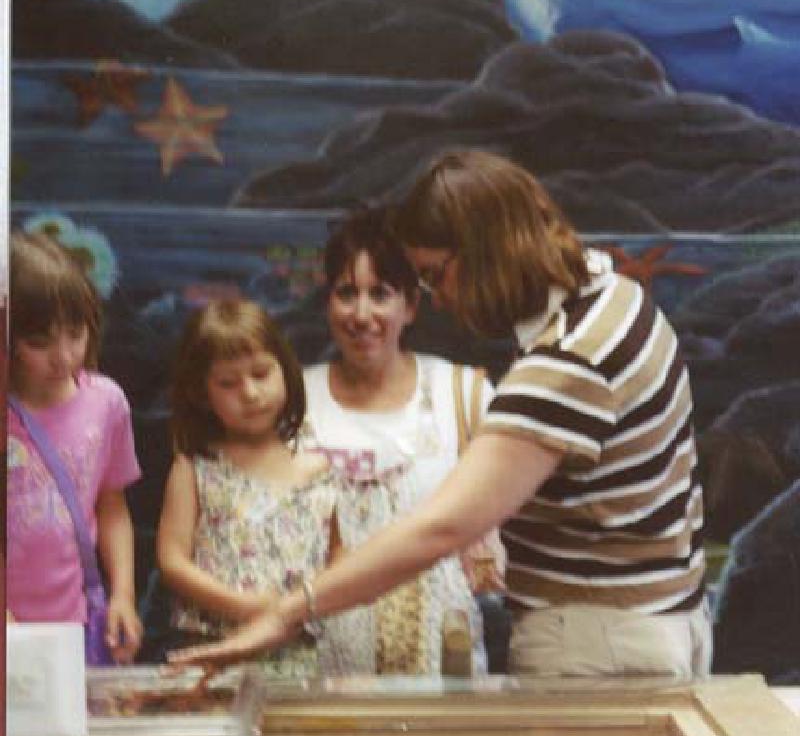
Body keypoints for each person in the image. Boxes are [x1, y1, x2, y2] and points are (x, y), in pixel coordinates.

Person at [171, 150, 710, 680]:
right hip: (658, 618)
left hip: (601, 642)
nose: (439, 297)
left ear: (484, 250)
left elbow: (444, 525)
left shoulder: (566, 359)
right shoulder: (614, 293)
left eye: (434, 275)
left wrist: (291, 609)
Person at [301, 206, 501, 675]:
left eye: (381, 294)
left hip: (446, 669)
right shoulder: (294, 401)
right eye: (347, 294)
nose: (362, 314)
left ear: (411, 305)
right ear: (327, 303)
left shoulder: (463, 394)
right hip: (323, 673)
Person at [156, 298, 342, 677]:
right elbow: (172, 561)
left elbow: (340, 558)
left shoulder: (319, 467)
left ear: (285, 372)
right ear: (201, 392)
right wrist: (246, 606)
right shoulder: (195, 467)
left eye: (261, 374)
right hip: (213, 650)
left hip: (299, 655)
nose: (250, 393)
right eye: (228, 383)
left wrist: (306, 606)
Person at [8, 230, 142, 664]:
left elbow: (112, 503)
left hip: (76, 626)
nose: (63, 356)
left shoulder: (106, 403)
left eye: (75, 333)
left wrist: (123, 594)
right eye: (39, 342)